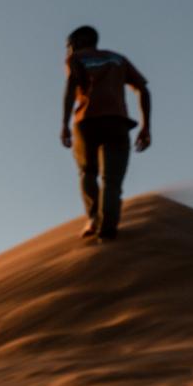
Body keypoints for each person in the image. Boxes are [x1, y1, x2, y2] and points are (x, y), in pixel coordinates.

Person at [59, 26, 151, 241]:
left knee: (87, 173)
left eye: (69, 45)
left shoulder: (76, 58)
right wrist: (146, 127)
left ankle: (93, 219)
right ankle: (107, 229)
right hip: (117, 122)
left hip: (86, 122)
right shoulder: (118, 59)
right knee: (112, 180)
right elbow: (143, 88)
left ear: (77, 42)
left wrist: (64, 123)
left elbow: (71, 88)